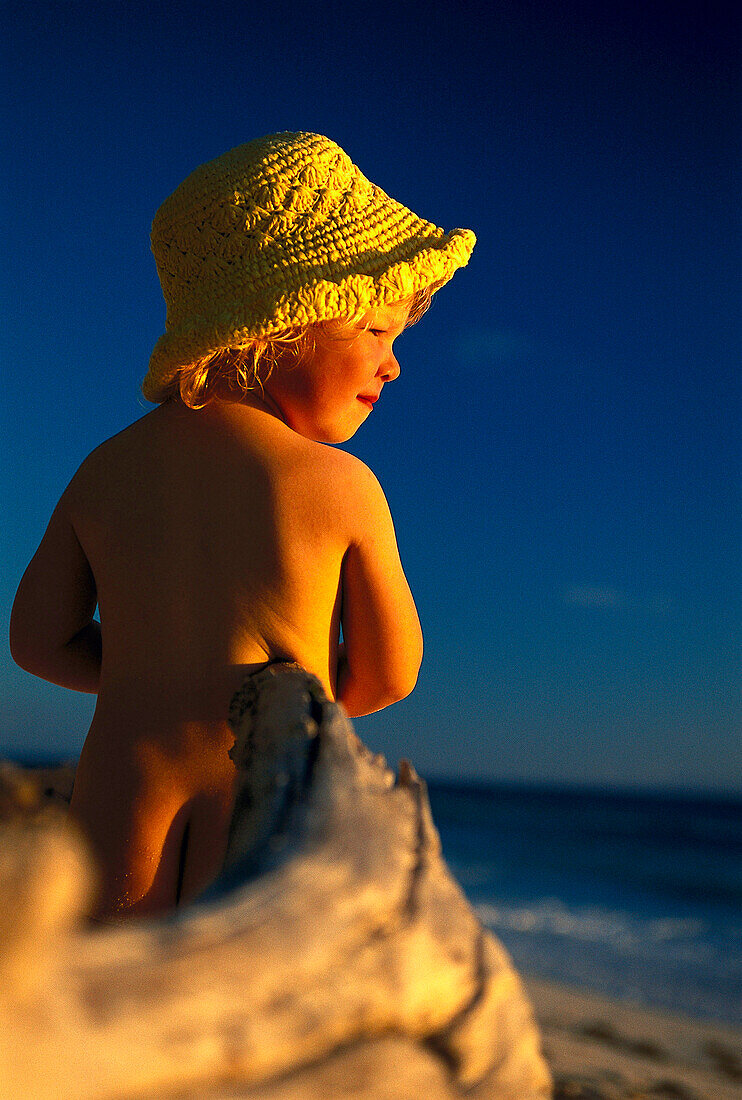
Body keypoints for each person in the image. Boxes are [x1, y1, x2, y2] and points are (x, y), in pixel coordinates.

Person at [9, 132, 475, 921]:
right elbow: (387, 676)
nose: (393, 363)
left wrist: (145, 680)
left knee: (117, 1016)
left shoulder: (102, 471)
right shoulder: (340, 486)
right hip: (265, 802)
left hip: (118, 799)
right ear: (277, 322)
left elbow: (35, 641)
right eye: (374, 331)